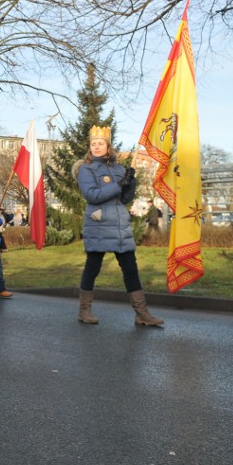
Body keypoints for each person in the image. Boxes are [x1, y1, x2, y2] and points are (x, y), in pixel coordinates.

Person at [75, 125, 163, 327]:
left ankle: (142, 313)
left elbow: (123, 199)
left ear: (108, 145)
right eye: (93, 144)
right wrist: (118, 185)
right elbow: (93, 195)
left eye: (100, 143)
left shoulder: (119, 168)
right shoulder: (86, 169)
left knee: (131, 269)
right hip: (98, 223)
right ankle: (84, 311)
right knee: (93, 267)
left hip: (119, 224)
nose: (96, 147)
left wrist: (130, 183)